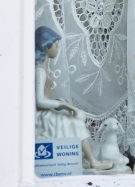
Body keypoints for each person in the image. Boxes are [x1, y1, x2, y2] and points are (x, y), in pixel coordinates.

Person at [34, 26, 98, 165]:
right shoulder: (40, 71)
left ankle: (85, 158)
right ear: (47, 46)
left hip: (47, 111)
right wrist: (63, 104)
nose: (58, 49)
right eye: (56, 45)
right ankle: (92, 160)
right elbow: (39, 101)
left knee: (75, 116)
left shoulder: (44, 69)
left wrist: (59, 102)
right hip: (41, 115)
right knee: (75, 120)